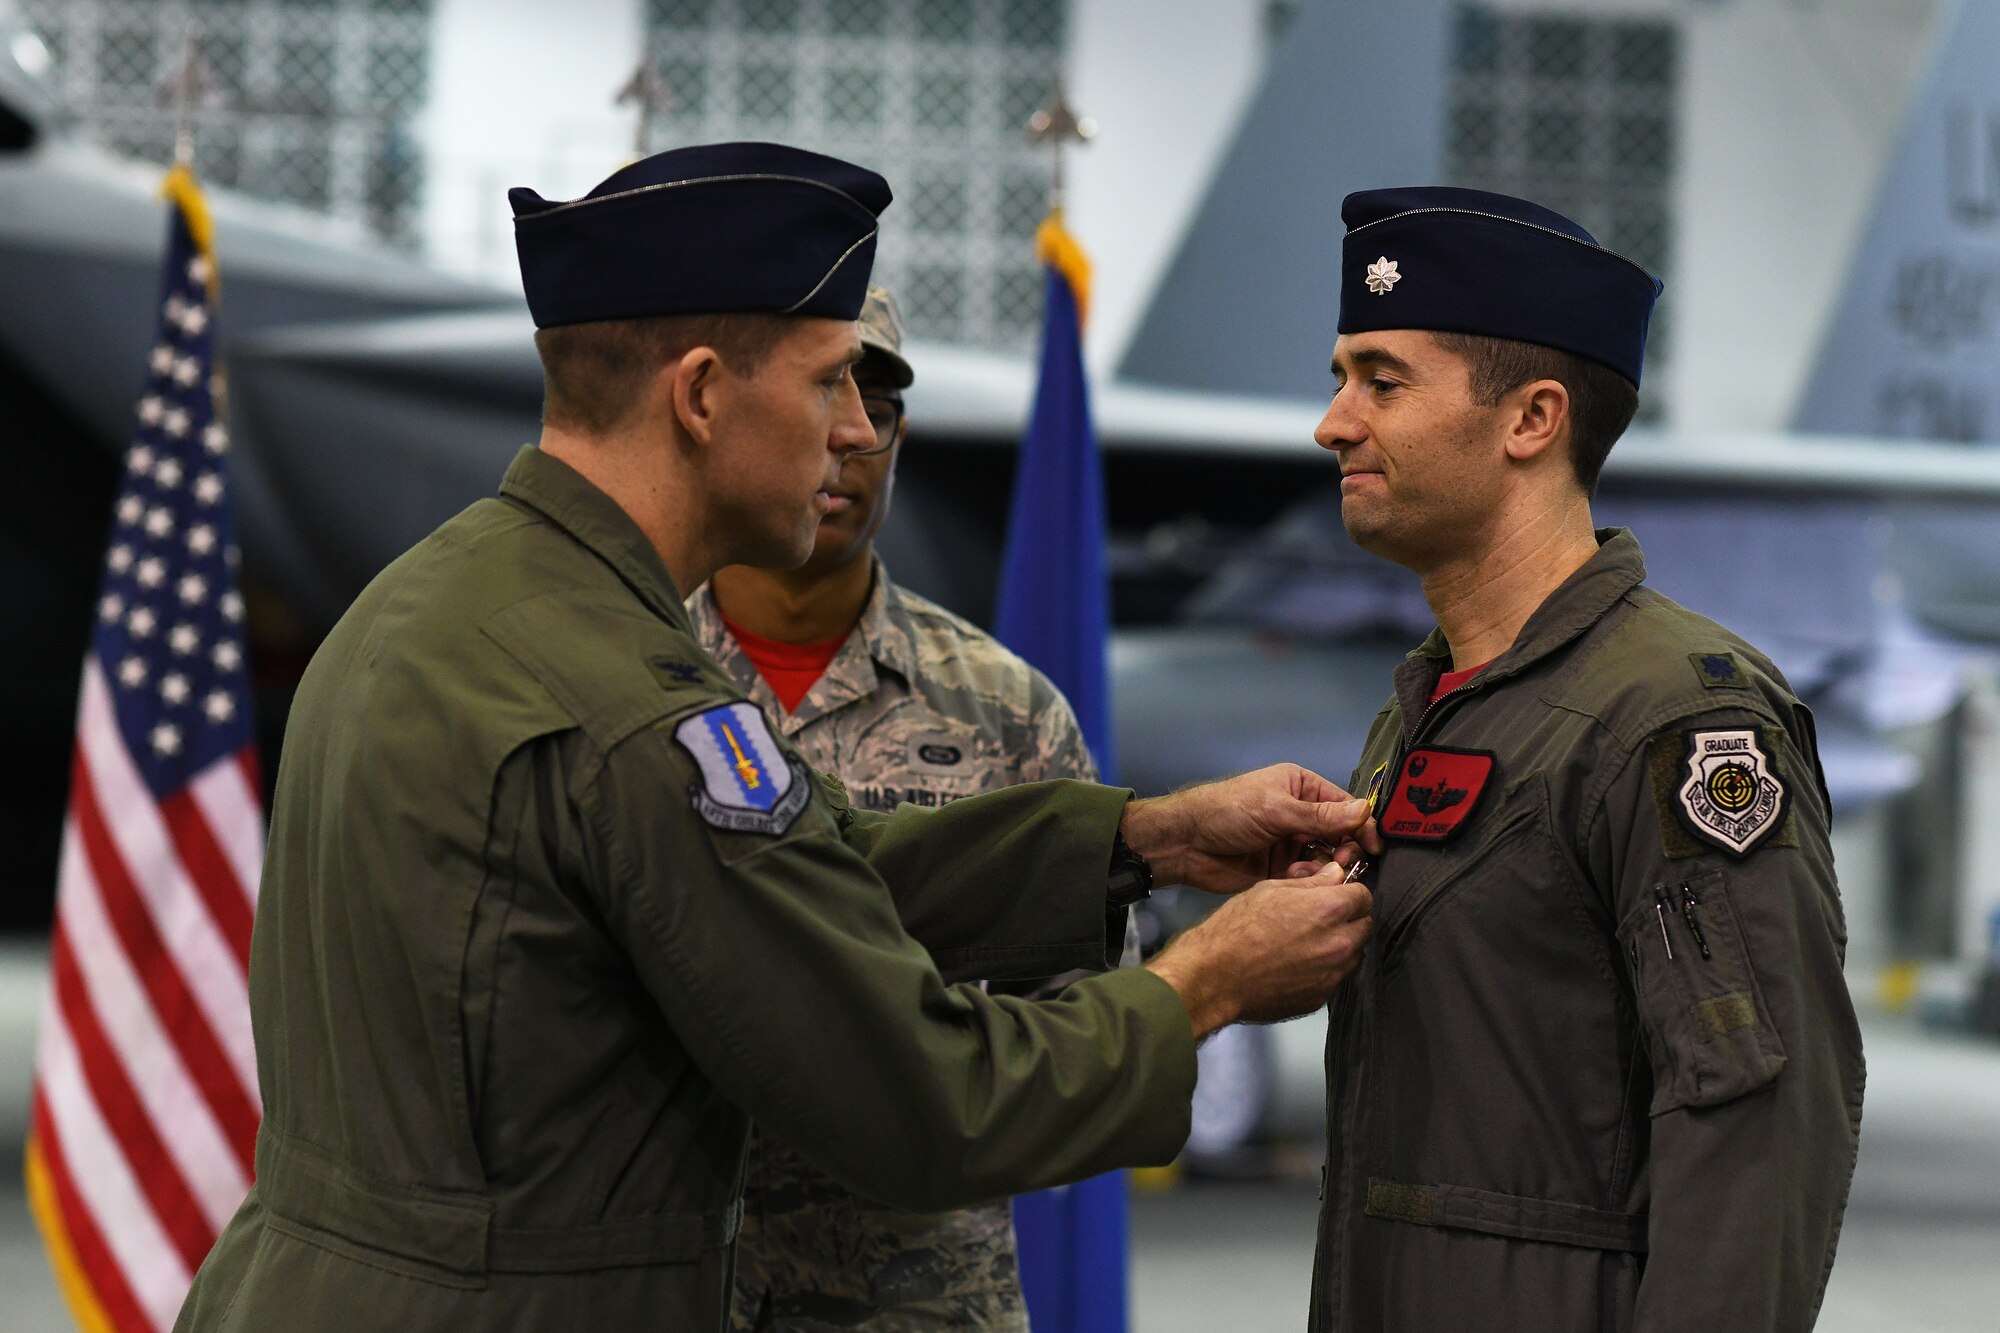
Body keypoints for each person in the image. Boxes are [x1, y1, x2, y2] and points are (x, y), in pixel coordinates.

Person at [174, 142, 1380, 1333]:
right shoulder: (639, 713)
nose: (857, 428)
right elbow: (927, 1100)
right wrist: (1207, 981)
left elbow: (808, 875)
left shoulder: (432, 600)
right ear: (700, 395)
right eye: (825, 382)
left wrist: (1145, 840)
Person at [1305, 186, 1864, 1333]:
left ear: (1530, 419)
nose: (1333, 422)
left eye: (1381, 379)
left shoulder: (1671, 720)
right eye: (1338, 378)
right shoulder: (1429, 705)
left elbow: (1756, 1128)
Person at [690, 286, 1095, 1331]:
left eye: (876, 405)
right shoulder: (630, 672)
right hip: (669, 1283)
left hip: (918, 1298)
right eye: (819, 391)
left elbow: (1079, 1032)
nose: (847, 436)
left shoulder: (1006, 712)